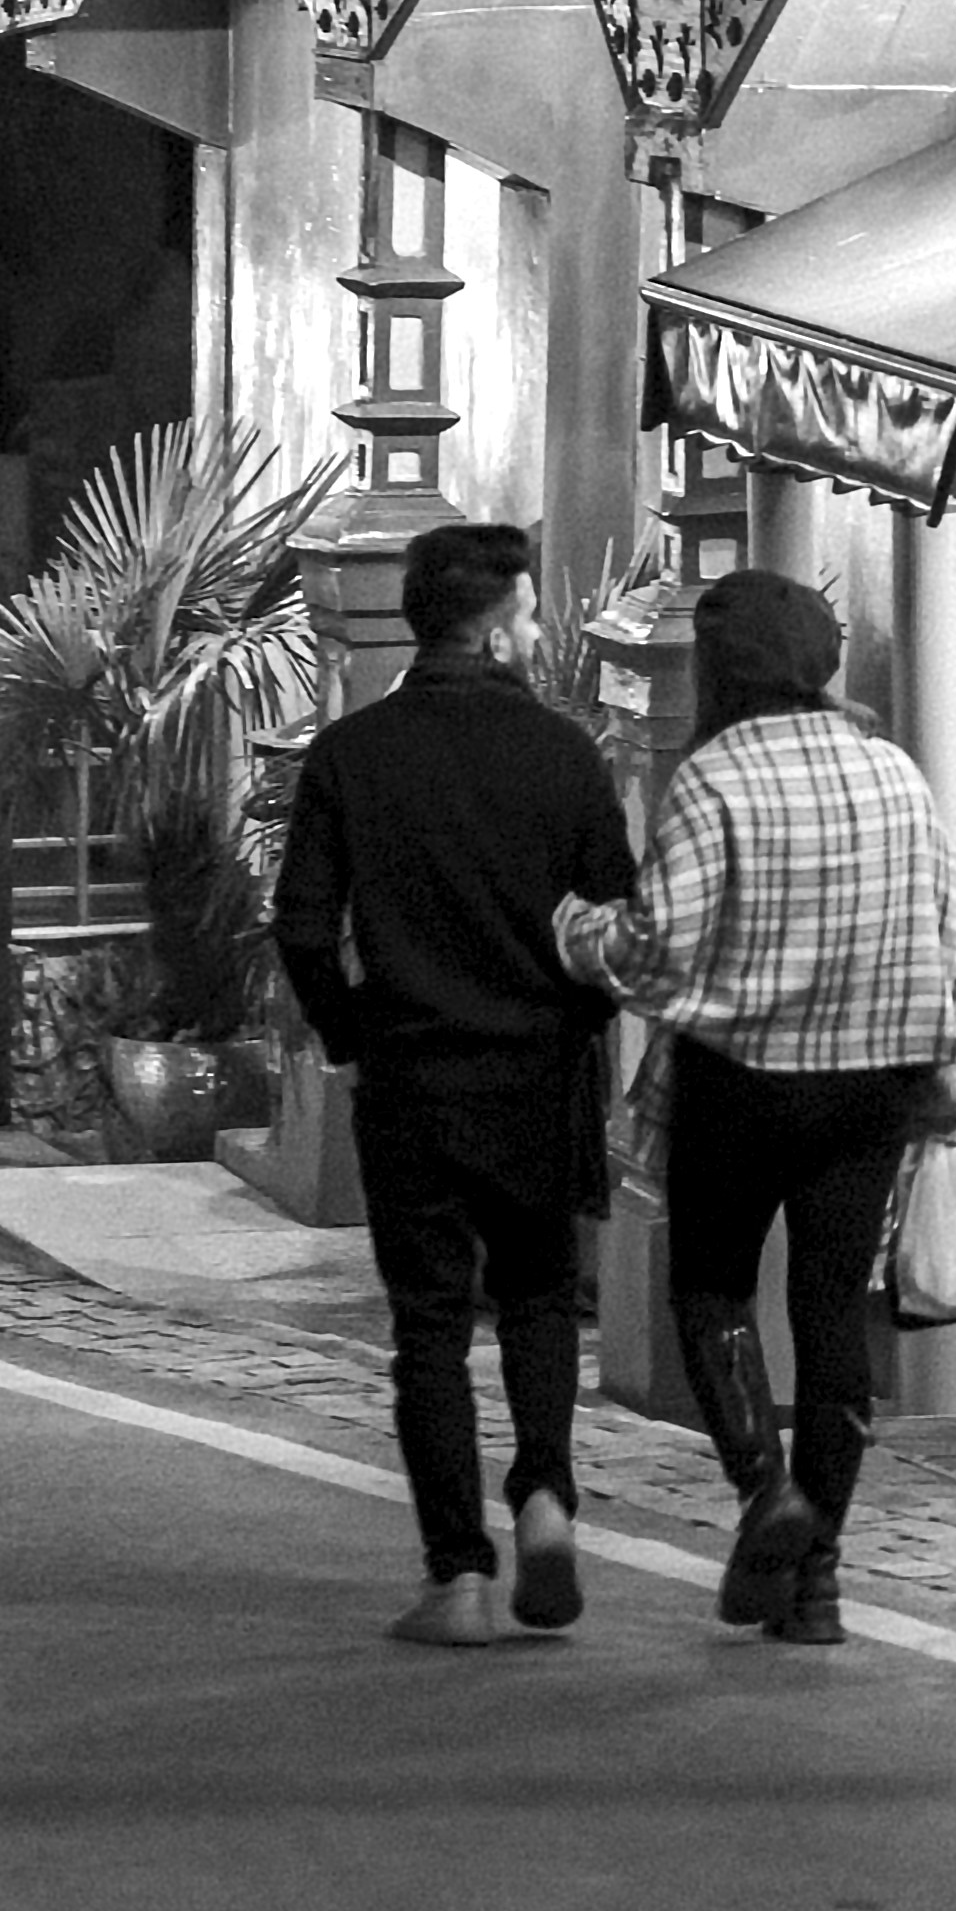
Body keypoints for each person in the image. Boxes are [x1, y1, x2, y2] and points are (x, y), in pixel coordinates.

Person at [570, 566, 956, 1654]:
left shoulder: (714, 779)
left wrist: (577, 930)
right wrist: (947, 1076)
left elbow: (657, 952)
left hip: (743, 1083)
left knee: (710, 1289)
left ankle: (765, 1493)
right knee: (834, 1310)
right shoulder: (896, 774)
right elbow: (944, 936)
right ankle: (822, 1582)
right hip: (872, 1087)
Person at [275, 520, 639, 1650]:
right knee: (535, 1297)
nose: (536, 630)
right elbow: (614, 924)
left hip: (411, 1074)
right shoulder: (564, 752)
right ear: (494, 621)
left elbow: (299, 924)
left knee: (428, 1326)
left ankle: (459, 1577)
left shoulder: (352, 754)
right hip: (535, 1070)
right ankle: (543, 1496)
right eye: (529, 612)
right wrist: (580, 1016)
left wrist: (350, 1033)